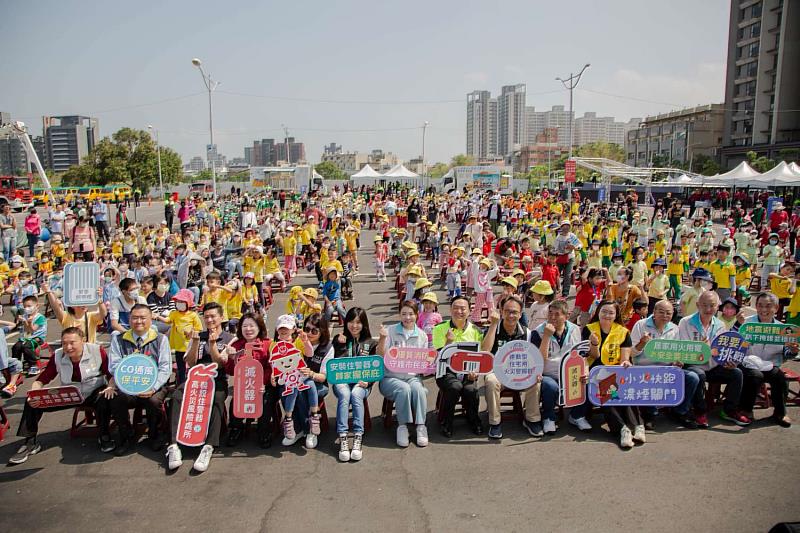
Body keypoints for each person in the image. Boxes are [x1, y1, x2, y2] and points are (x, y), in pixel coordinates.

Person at [9, 328, 114, 464]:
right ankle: (29, 442)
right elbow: (43, 379)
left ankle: (104, 435)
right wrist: (33, 394)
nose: (68, 347)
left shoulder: (96, 351)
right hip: (69, 394)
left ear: (83, 341)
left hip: (93, 392)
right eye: (64, 343)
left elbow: (110, 374)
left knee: (105, 397)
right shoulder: (58, 355)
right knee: (32, 402)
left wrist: (111, 386)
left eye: (72, 343)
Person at [166, 303, 233, 473]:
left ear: (221, 317)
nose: (209, 319)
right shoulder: (198, 335)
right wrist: (195, 342)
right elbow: (190, 362)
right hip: (195, 380)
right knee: (177, 396)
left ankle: (209, 446)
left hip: (217, 379)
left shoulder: (229, 338)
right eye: (207, 316)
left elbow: (221, 363)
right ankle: (174, 445)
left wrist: (212, 345)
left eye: (213, 316)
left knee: (217, 399)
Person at [106, 304, 172, 454]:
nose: (139, 321)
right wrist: (126, 382)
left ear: (151, 319)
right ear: (129, 319)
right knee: (116, 398)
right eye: (135, 318)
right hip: (128, 386)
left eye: (143, 318)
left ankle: (154, 435)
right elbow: (114, 365)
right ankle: (126, 435)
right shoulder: (119, 339)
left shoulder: (160, 339)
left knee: (153, 401)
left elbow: (165, 368)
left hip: (153, 386)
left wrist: (153, 387)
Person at [678, 291, 750, 427]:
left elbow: (723, 348)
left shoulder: (720, 325)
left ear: (718, 307)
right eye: (704, 305)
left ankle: (729, 410)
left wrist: (729, 360)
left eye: (712, 305)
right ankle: (700, 411)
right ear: (697, 305)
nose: (708, 309)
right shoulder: (685, 322)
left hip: (713, 365)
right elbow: (683, 348)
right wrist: (702, 348)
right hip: (693, 365)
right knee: (698, 375)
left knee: (737, 373)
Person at [580, 301, 644, 448]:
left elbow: (625, 358)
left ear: (616, 315)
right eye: (604, 311)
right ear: (598, 312)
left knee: (625, 388)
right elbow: (591, 356)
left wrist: (626, 363)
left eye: (611, 313)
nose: (607, 315)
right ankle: (623, 429)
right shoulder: (589, 329)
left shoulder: (623, 331)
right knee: (608, 390)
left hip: (616, 371)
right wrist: (594, 344)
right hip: (595, 371)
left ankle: (638, 427)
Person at [481, 294, 543, 439]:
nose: (511, 315)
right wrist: (493, 325)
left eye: (514, 312)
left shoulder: (528, 333)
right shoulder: (493, 329)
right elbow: (485, 351)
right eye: (507, 311)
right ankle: (495, 423)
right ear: (501, 312)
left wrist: (537, 372)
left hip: (521, 373)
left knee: (536, 381)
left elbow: (535, 357)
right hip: (499, 373)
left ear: (520, 314)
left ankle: (532, 420)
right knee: (490, 380)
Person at [735, 293, 795, 427]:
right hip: (748, 363)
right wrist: (737, 325)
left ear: (776, 308)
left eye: (768, 306)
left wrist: (793, 350)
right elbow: (734, 343)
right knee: (754, 376)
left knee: (780, 378)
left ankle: (780, 413)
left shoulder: (783, 329)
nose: (764, 310)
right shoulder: (747, 323)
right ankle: (746, 410)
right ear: (755, 307)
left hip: (770, 364)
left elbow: (786, 353)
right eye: (760, 306)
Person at [378, 301, 431, 448]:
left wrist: (428, 365)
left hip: (412, 377)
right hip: (390, 378)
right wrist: (382, 339)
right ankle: (402, 426)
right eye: (404, 314)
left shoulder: (422, 336)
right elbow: (381, 355)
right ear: (399, 314)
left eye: (411, 314)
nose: (407, 317)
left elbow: (424, 362)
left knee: (418, 389)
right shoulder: (390, 331)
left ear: (417, 315)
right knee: (404, 389)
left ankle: (421, 426)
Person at [431, 295, 484, 438]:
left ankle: (474, 420)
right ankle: (447, 422)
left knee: (471, 389)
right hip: (445, 371)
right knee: (455, 387)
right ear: (450, 309)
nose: (459, 311)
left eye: (463, 308)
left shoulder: (476, 331)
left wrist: (475, 372)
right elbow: (437, 357)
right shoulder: (439, 328)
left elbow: (480, 357)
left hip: (468, 371)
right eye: (455, 308)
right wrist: (448, 343)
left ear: (469, 311)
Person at [331, 307, 377, 462]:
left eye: (358, 322)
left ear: (364, 324)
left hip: (362, 384)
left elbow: (376, 367)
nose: (354, 326)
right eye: (351, 321)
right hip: (341, 381)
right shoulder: (339, 340)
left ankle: (358, 436)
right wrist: (340, 345)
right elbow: (334, 365)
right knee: (345, 394)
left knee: (356, 394)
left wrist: (368, 381)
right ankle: (343, 436)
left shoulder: (370, 343)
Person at [224, 312, 276, 448]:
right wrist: (230, 358)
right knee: (236, 399)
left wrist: (262, 382)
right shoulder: (236, 345)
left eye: (252, 326)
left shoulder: (268, 344)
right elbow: (230, 371)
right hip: (244, 385)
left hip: (263, 385)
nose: (248, 329)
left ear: (259, 327)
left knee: (265, 399)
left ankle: (264, 430)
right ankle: (236, 428)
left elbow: (271, 368)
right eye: (245, 326)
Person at [530, 299, 581, 435]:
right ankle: (548, 417)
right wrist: (547, 337)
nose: (552, 318)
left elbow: (580, 354)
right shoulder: (538, 332)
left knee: (585, 382)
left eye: (557, 314)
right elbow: (539, 360)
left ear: (566, 316)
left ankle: (576, 416)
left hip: (569, 372)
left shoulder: (575, 330)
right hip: (547, 374)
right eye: (550, 314)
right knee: (551, 386)